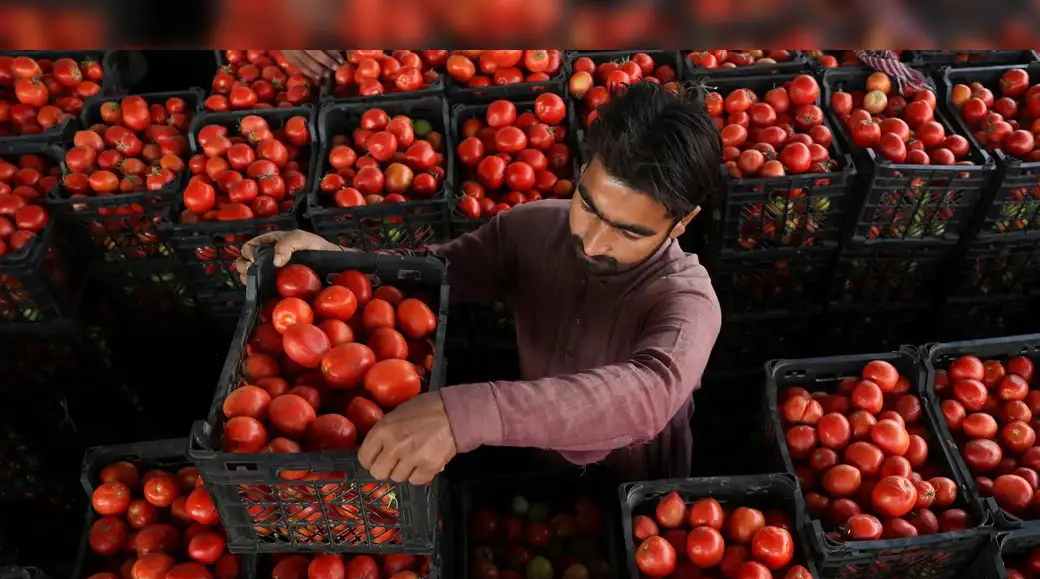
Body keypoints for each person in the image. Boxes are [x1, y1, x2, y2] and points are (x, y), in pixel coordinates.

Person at [236, 77, 723, 486]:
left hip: (640, 482)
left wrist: (465, 414)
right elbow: (441, 270)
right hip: (532, 446)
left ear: (681, 223)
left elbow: (648, 394)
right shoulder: (532, 228)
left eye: (628, 231)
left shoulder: (688, 301)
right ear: (581, 171)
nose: (593, 242)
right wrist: (342, 260)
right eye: (588, 205)